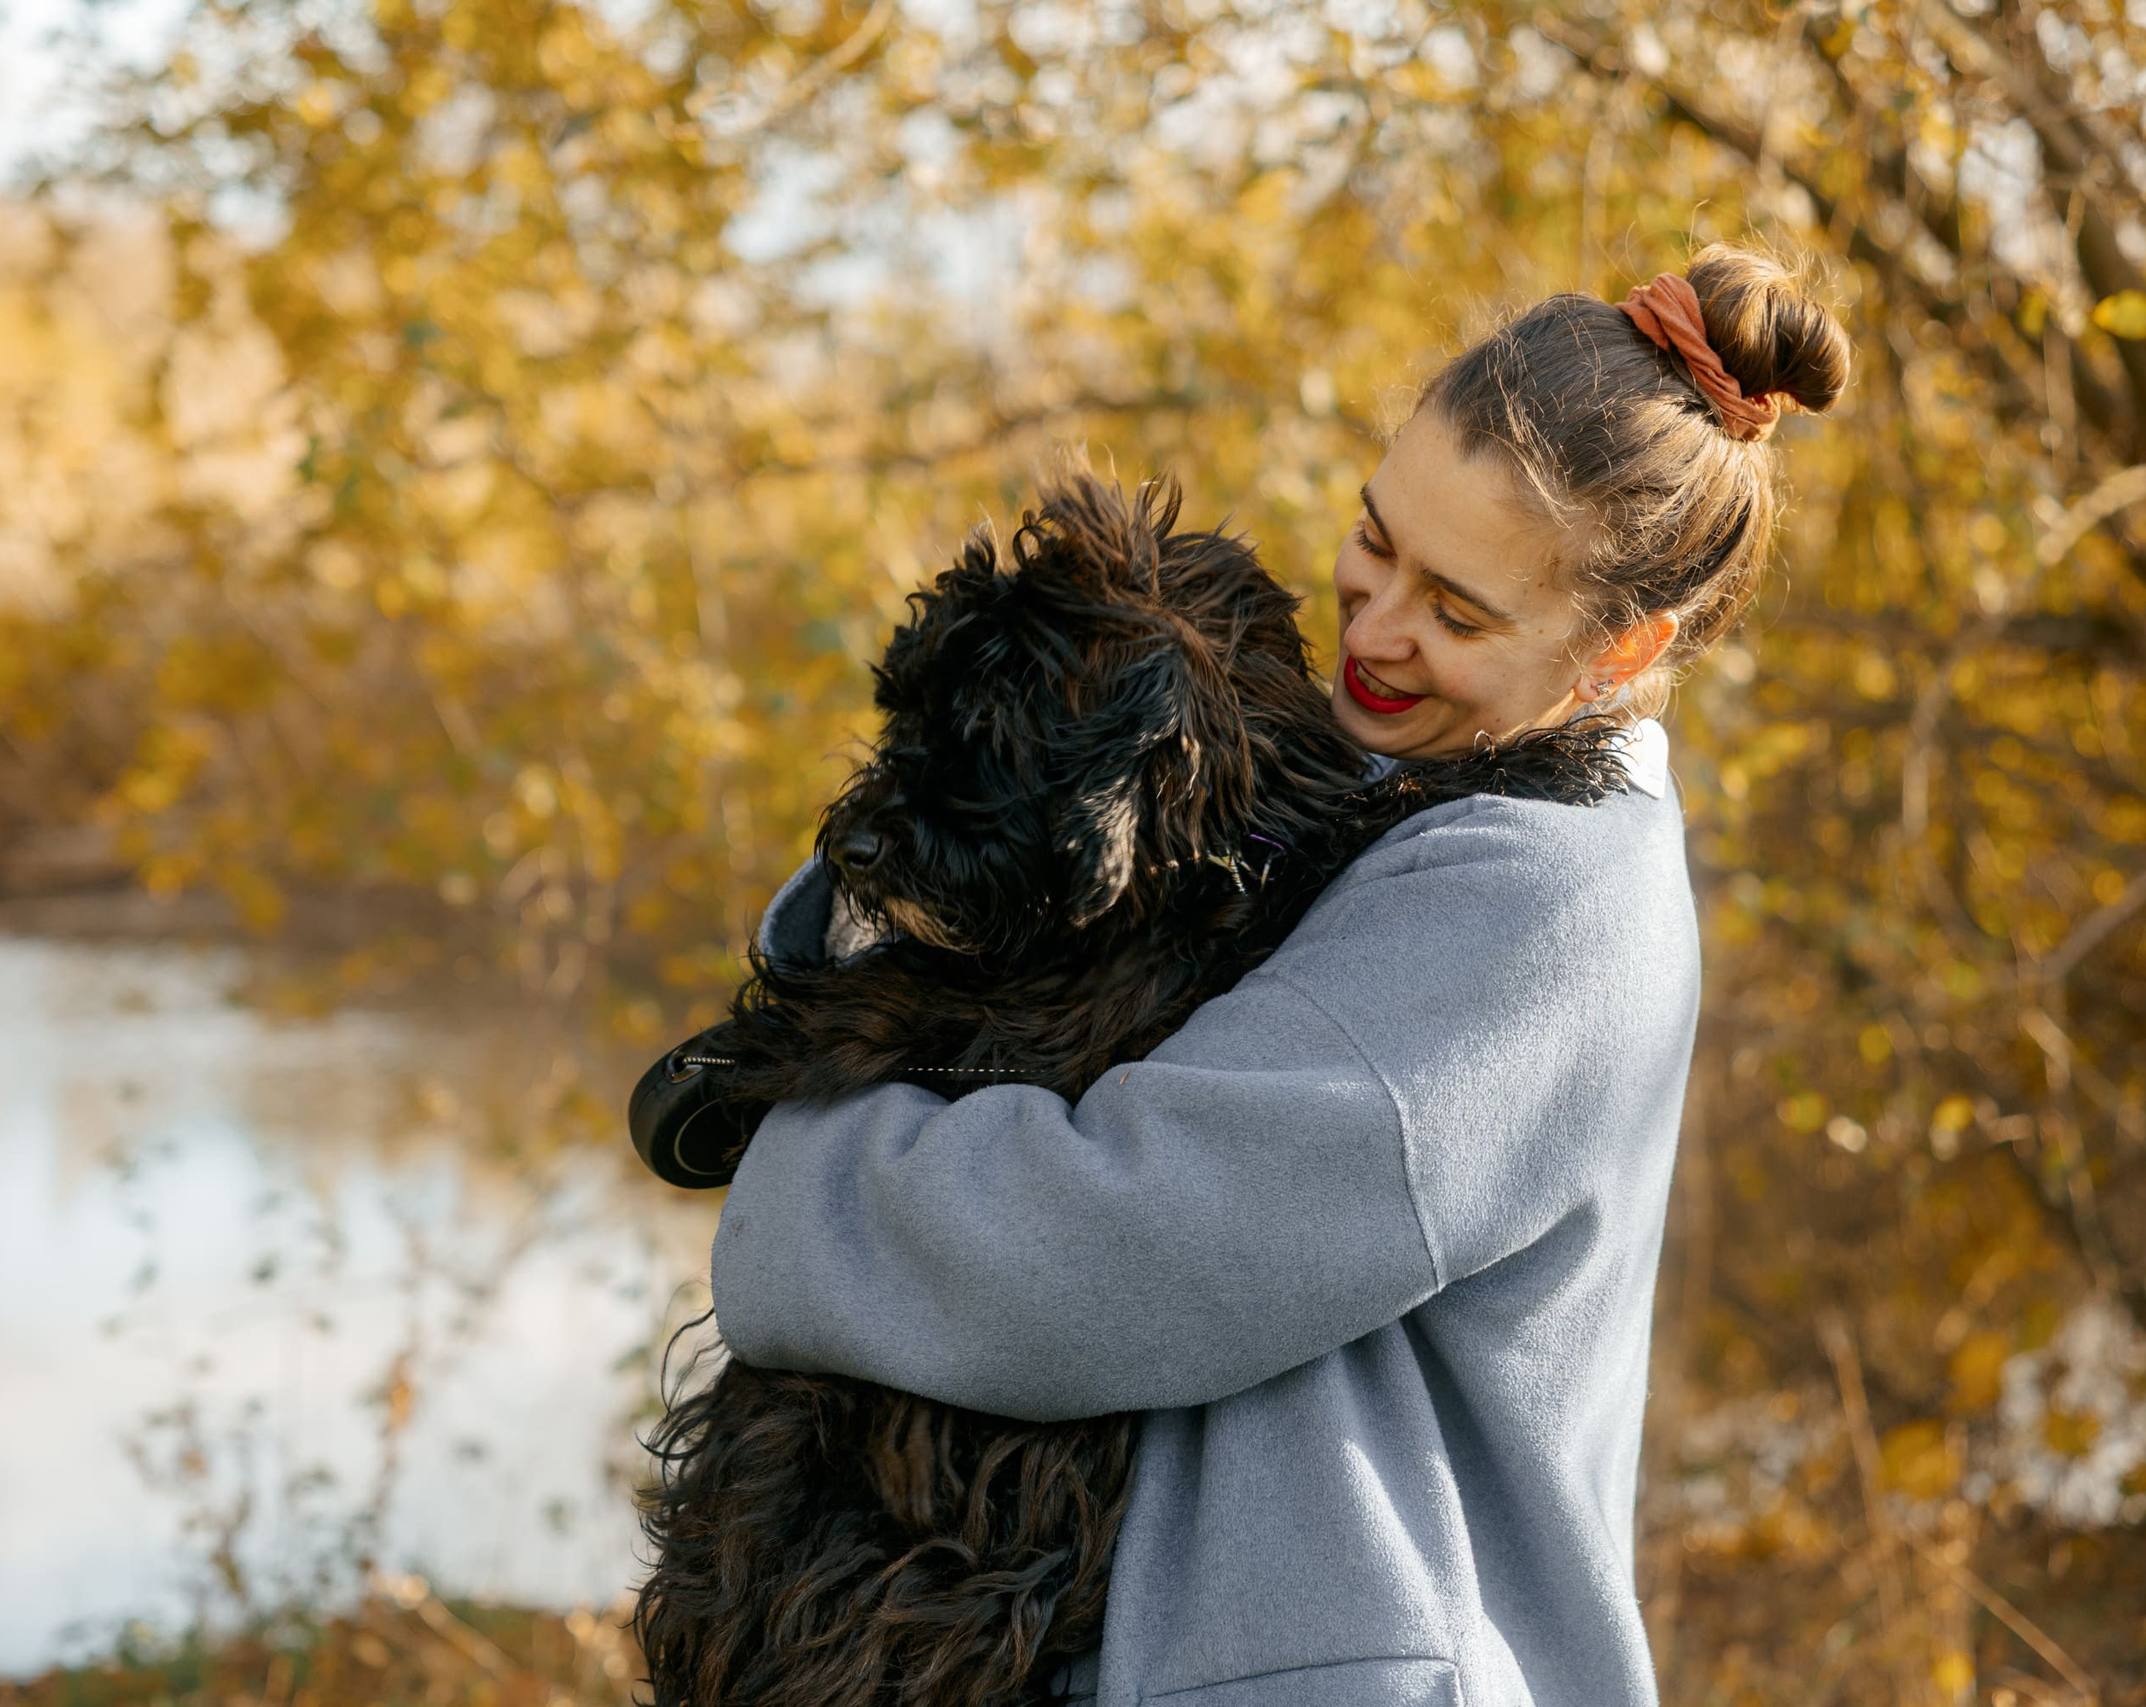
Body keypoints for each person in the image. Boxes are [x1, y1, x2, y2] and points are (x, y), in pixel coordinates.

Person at [710, 243, 1850, 1707]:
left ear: (1620, 644)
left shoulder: (1535, 907)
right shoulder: (1403, 774)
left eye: (1458, 610)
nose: (1373, 633)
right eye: (1377, 542)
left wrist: (797, 1175)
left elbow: (1113, 1248)